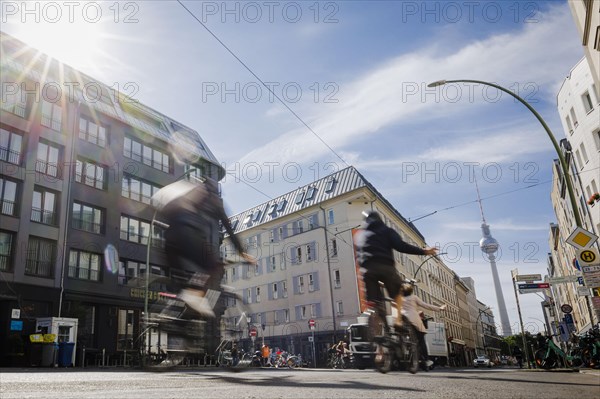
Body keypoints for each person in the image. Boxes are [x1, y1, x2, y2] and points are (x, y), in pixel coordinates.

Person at [154, 177, 254, 317]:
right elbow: (228, 228)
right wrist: (242, 252)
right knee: (212, 268)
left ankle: (173, 320)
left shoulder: (189, 191)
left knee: (187, 290)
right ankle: (193, 305)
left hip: (169, 239)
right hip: (188, 235)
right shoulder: (213, 199)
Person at [354, 210, 438, 327]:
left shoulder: (360, 235)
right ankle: (398, 321)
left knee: (373, 302)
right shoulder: (387, 231)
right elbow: (401, 246)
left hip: (368, 271)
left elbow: (358, 257)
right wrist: (424, 251)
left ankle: (380, 328)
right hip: (386, 268)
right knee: (397, 294)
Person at [401, 283, 446, 369]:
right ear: (411, 291)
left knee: (403, 335)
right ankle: (426, 360)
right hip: (414, 320)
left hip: (403, 320)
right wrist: (440, 308)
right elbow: (426, 306)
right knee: (421, 341)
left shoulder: (400, 299)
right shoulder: (413, 297)